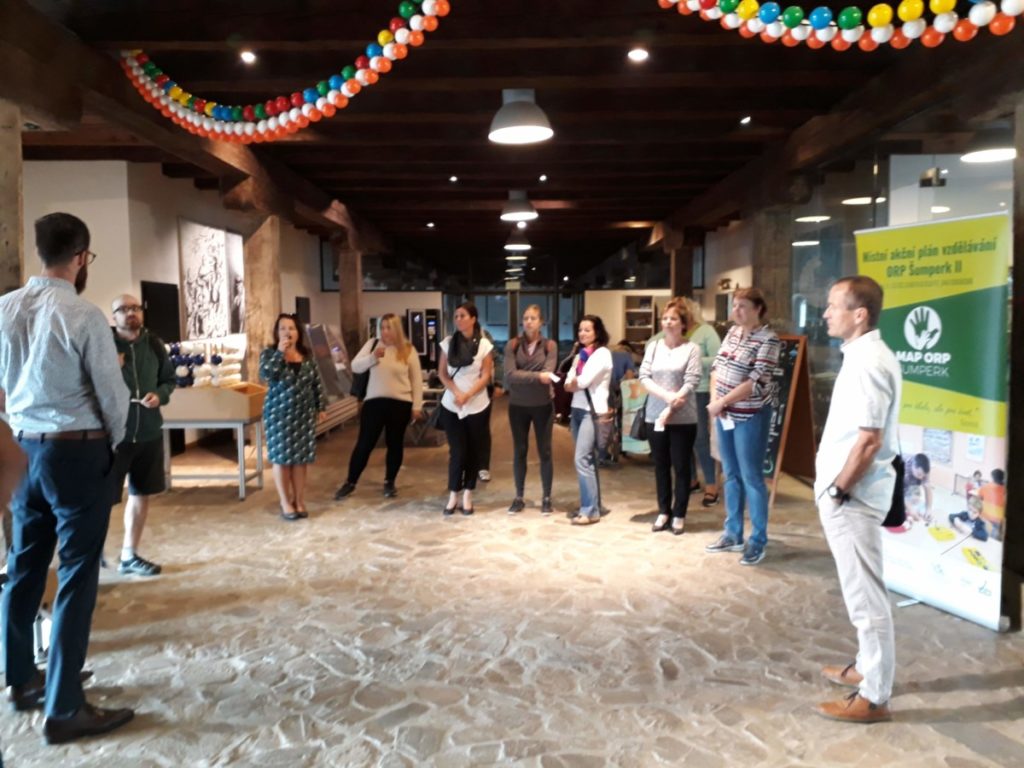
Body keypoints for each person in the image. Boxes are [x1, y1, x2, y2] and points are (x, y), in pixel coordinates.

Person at [0, 212, 134, 744]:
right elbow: (111, 394)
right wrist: (118, 445)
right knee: (78, 573)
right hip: (76, 451)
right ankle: (65, 706)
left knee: (24, 566)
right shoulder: (82, 315)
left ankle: (21, 680)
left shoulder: (5, 308)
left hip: (23, 447)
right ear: (80, 257)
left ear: (41, 251)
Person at [814, 275, 902, 724]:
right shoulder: (862, 356)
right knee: (862, 593)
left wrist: (838, 490)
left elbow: (869, 440)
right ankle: (868, 667)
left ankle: (875, 694)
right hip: (850, 496)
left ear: (859, 314)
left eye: (834, 306)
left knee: (866, 600)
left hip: (854, 499)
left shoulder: (868, 362)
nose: (826, 313)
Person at [704, 287, 780, 565]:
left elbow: (755, 382)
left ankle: (758, 539)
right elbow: (717, 369)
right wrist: (716, 401)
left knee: (751, 477)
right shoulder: (732, 333)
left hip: (750, 415)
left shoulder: (769, 340)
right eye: (734, 305)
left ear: (758, 309)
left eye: (743, 306)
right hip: (724, 414)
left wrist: (722, 401)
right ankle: (732, 533)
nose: (736, 310)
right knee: (730, 474)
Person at [108, 294, 176, 577]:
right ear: (113, 316)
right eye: (123, 309)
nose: (130, 313)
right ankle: (91, 555)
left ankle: (129, 554)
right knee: (102, 500)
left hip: (148, 432)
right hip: (115, 436)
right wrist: (110, 367)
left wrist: (159, 396)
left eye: (135, 308)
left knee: (141, 494)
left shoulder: (154, 344)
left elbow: (169, 380)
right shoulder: (104, 345)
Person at [335, 313, 423, 500]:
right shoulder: (372, 344)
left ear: (397, 329)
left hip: (400, 403)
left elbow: (416, 380)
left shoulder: (408, 349)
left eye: (389, 327)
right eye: (382, 327)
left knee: (395, 444)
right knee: (364, 444)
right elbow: (355, 366)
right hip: (374, 403)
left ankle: (389, 482)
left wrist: (417, 406)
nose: (385, 331)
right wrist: (372, 358)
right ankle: (350, 482)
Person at [639, 299, 702, 536]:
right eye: (665, 318)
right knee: (660, 466)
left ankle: (679, 514)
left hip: (684, 417)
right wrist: (667, 397)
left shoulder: (692, 349)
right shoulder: (654, 346)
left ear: (683, 323)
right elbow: (644, 376)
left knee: (682, 466)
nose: (668, 322)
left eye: (673, 318)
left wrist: (675, 400)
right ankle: (663, 511)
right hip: (655, 415)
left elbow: (692, 380)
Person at [259, 314, 326, 521]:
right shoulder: (269, 354)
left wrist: (320, 407)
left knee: (300, 460)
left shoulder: (307, 356)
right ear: (277, 332)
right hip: (278, 415)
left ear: (298, 332)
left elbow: (316, 383)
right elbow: (267, 374)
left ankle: (299, 499)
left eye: (292, 328)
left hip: (303, 415)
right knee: (282, 459)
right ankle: (285, 501)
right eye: (283, 328)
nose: (288, 332)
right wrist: (280, 353)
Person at [437, 302, 493, 516]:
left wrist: (468, 395)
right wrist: (457, 393)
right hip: (452, 405)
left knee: (473, 451)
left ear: (473, 319)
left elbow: (486, 375)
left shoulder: (484, 345)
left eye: (462, 315)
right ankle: (453, 493)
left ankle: (468, 493)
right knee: (457, 451)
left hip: (477, 404)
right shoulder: (448, 343)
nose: (458, 319)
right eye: (456, 316)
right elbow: (442, 373)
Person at [504, 304, 558, 515]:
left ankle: (546, 497)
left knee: (545, 452)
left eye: (533, 318)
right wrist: (537, 376)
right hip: (517, 405)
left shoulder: (550, 346)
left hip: (543, 405)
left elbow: (549, 374)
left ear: (541, 322)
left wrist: (524, 375)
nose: (528, 321)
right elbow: (510, 375)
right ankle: (519, 497)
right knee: (520, 451)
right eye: (525, 318)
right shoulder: (513, 345)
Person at [564, 315, 613, 525]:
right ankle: (594, 505)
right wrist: (572, 382)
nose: (582, 333)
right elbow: (567, 382)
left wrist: (573, 382)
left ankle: (590, 510)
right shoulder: (580, 355)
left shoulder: (602, 354)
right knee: (588, 460)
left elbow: (582, 382)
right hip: (576, 410)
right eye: (580, 330)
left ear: (597, 332)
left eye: (587, 330)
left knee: (582, 459)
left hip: (591, 412)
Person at [685, 297, 722, 507]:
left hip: (699, 390)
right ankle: (691, 479)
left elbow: (719, 358)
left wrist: (693, 360)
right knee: (682, 439)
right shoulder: (676, 333)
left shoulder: (706, 331)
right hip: (678, 391)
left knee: (700, 438)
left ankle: (711, 484)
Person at [903, 453, 934, 525]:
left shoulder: (925, 468)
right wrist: (910, 508)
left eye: (923, 475)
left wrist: (929, 509)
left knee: (918, 504)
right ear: (913, 466)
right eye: (919, 474)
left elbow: (927, 486)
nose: (921, 478)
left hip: (909, 486)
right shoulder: (903, 468)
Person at [978, 468, 1006, 541]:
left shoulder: (986, 487)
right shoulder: (1005, 490)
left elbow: (980, 498)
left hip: (985, 516)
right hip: (998, 518)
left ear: (992, 478)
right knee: (993, 537)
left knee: (983, 534)